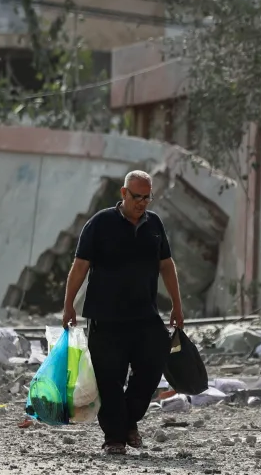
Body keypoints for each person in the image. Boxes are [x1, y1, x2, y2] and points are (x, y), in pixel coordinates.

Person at [62, 170, 185, 456]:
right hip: (106, 319)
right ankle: (115, 438)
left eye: (147, 197)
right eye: (137, 196)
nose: (142, 202)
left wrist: (177, 305)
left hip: (145, 316)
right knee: (109, 379)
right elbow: (80, 266)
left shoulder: (154, 225)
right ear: (123, 193)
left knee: (153, 367)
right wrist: (69, 304)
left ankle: (129, 421)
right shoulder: (100, 224)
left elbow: (166, 265)